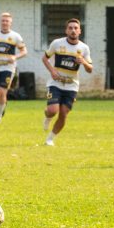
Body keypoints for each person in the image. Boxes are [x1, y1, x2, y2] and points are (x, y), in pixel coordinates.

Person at [41, 18, 93, 146]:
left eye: (76, 28)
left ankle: (50, 139)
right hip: (55, 84)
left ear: (80, 31)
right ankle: (48, 116)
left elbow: (90, 69)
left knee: (63, 114)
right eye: (70, 28)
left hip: (72, 86)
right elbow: (45, 58)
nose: (73, 30)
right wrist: (52, 71)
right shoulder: (57, 43)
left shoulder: (84, 48)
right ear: (66, 30)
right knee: (53, 110)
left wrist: (84, 62)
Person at [0, 12, 28, 123]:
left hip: (8, 68)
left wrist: (15, 57)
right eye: (3, 20)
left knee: (2, 91)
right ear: (1, 22)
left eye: (7, 21)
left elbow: (24, 51)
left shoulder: (15, 36)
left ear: (10, 23)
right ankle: (3, 103)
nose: (5, 23)